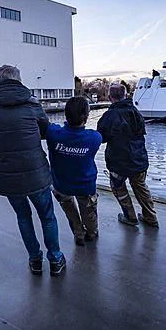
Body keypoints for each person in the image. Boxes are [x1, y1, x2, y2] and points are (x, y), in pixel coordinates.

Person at [0, 65, 66, 276]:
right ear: (19, 80)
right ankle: (55, 260)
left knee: (23, 217)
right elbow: (45, 130)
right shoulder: (32, 103)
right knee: (47, 216)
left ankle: (35, 260)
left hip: (7, 173)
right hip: (35, 171)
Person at [96, 83, 159, 228]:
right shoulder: (135, 112)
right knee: (141, 187)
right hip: (139, 160)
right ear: (125, 95)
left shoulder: (108, 116)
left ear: (110, 97)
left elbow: (101, 138)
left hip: (118, 163)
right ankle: (151, 217)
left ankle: (130, 216)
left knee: (118, 187)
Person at [46, 97, 102, 246]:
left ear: (66, 114)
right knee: (89, 214)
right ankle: (91, 233)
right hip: (85, 186)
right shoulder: (94, 138)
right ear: (86, 116)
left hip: (61, 185)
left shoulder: (53, 133)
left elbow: (45, 123)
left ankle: (78, 234)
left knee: (70, 212)